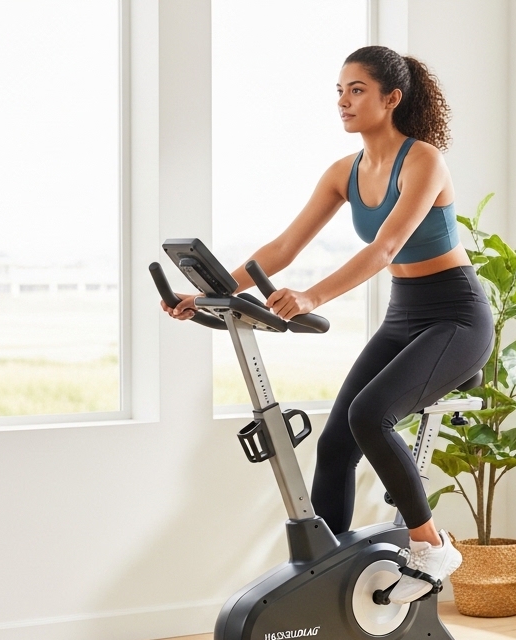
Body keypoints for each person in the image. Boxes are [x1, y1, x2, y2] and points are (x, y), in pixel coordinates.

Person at [163, 46, 491, 603]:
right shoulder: (345, 172)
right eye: (339, 91)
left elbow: (387, 248)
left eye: (357, 89)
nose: (343, 101)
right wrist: (211, 295)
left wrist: (315, 295)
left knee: (371, 414)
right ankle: (330, 576)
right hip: (404, 313)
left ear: (392, 98)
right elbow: (283, 248)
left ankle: (432, 545)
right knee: (337, 442)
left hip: (455, 315)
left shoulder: (425, 161)